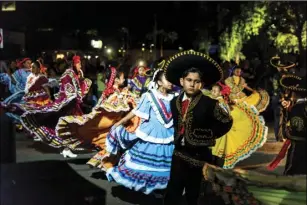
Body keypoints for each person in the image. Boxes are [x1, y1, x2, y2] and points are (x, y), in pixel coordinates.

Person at [162, 50, 233, 205]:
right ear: (182, 81)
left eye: (196, 81)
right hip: (179, 154)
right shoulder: (173, 102)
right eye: (189, 80)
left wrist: (208, 135)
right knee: (173, 192)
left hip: (200, 156)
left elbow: (227, 121)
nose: (192, 83)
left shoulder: (210, 103)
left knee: (194, 195)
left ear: (200, 83)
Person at [103, 69, 176, 195]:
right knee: (145, 166)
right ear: (159, 82)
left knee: (164, 166)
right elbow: (136, 112)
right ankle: (149, 187)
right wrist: (120, 122)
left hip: (168, 135)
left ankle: (160, 188)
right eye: (167, 79)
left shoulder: (174, 98)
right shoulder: (149, 96)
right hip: (151, 135)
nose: (170, 82)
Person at [56, 66, 138, 159]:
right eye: (122, 78)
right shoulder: (114, 93)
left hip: (112, 122)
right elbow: (115, 107)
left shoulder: (111, 91)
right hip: (111, 122)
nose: (124, 79)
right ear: (116, 80)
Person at [20, 55, 92, 151]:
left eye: (80, 63)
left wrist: (83, 83)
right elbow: (67, 89)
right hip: (68, 104)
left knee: (73, 127)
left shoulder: (76, 74)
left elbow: (76, 88)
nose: (80, 65)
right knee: (67, 126)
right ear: (74, 64)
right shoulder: (68, 74)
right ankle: (66, 149)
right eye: (78, 63)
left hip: (73, 105)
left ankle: (68, 148)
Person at [206, 83, 268, 169]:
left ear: (220, 93)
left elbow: (225, 115)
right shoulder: (212, 100)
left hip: (221, 131)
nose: (212, 92)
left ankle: (217, 169)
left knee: (218, 151)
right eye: (212, 90)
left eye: (215, 91)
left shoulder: (220, 102)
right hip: (216, 130)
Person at [267, 74, 307, 175]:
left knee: (294, 167)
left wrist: (287, 131)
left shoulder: (297, 108)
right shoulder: (300, 106)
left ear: (295, 94)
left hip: (299, 143)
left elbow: (295, 130)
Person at [270, 56, 296, 141]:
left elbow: (292, 88)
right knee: (280, 118)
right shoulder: (276, 76)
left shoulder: (289, 76)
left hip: (287, 100)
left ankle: (284, 135)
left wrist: (289, 100)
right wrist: (283, 99)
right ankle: (280, 137)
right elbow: (276, 89)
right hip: (279, 99)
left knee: (285, 118)